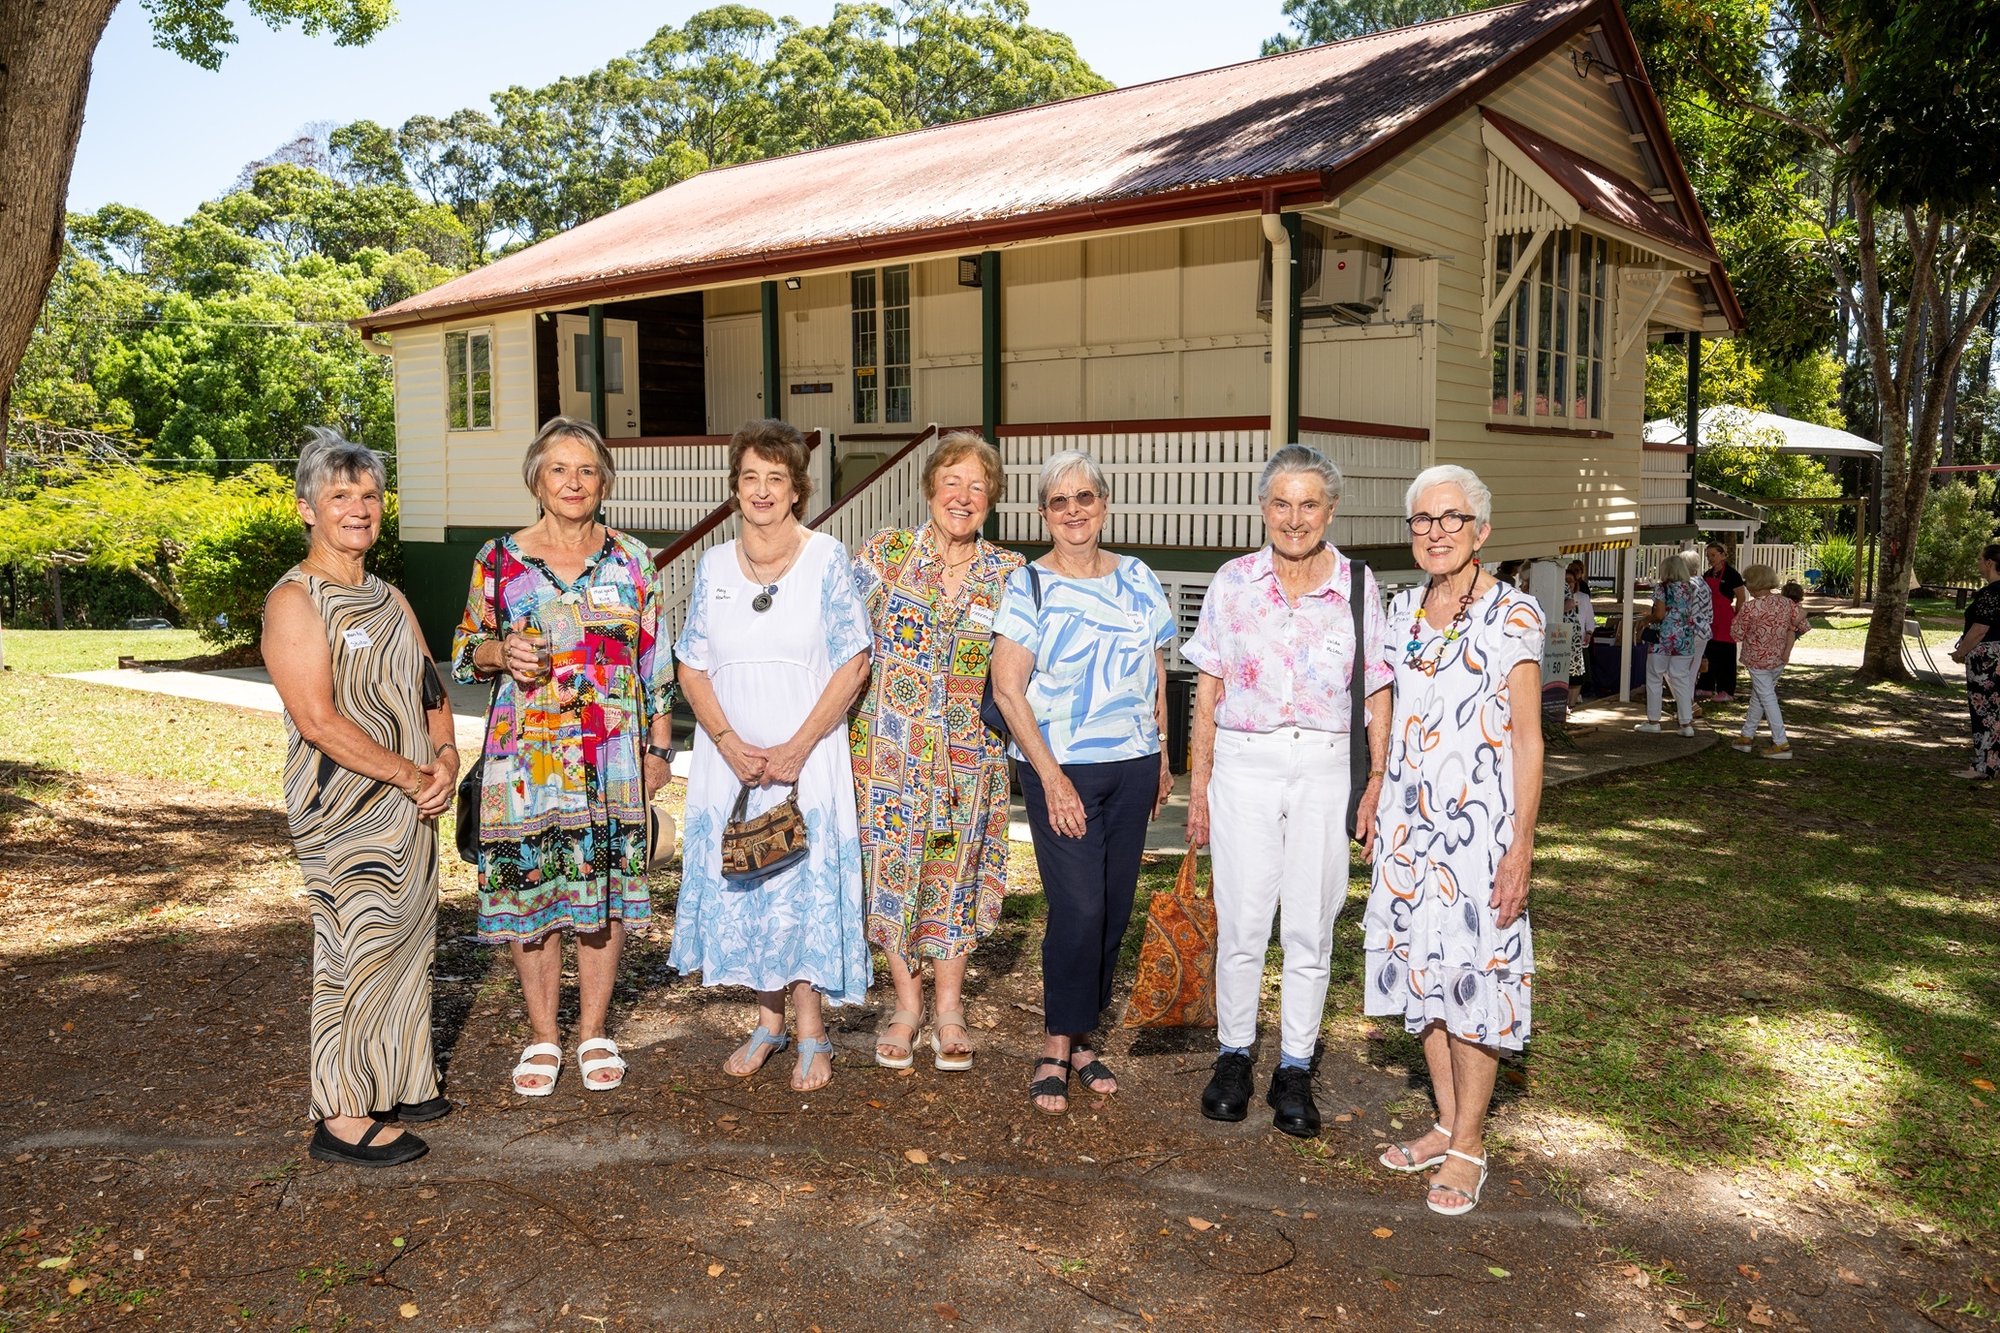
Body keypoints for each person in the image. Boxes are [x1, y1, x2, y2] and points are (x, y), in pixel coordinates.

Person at [452, 417, 675, 1097]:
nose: (573, 483)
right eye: (559, 469)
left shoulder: (636, 558)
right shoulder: (498, 560)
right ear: (535, 479)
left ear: (604, 480)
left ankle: (595, 1030)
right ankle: (545, 1034)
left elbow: (656, 661)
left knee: (602, 890)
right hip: (526, 758)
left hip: (611, 758)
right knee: (535, 891)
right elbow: (465, 651)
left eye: (586, 470)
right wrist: (499, 652)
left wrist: (660, 747)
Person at [1183, 445, 1392, 1138]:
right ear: (1264, 509)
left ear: (1330, 510)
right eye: (1281, 502)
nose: (1294, 517)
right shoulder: (1233, 581)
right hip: (1245, 761)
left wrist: (1375, 782)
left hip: (1328, 763)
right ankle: (1234, 1055)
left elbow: (1378, 692)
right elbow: (1207, 690)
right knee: (1243, 920)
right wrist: (1202, 788)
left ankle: (1296, 1065)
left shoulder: (1360, 586)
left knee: (1310, 923)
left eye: (1308, 503)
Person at [264, 429, 458, 1167]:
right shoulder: (295, 599)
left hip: (411, 799)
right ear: (307, 509)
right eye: (340, 495)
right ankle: (340, 1114)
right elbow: (317, 719)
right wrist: (411, 775)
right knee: (351, 948)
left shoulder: (387, 595)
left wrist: (444, 753)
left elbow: (429, 682)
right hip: (342, 806)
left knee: (407, 937)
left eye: (369, 495)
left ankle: (399, 1076)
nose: (358, 508)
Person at [673, 419, 872, 1092]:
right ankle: (767, 1023)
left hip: (805, 759)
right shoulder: (714, 566)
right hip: (733, 763)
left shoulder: (827, 558)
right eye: (750, 477)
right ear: (736, 488)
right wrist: (728, 743)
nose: (762, 491)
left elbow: (854, 662)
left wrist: (797, 745)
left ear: (797, 490)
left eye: (776, 479)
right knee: (753, 878)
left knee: (799, 887)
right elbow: (691, 667)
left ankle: (814, 1031)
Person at [1367, 464, 1544, 1217]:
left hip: (1481, 833)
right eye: (1423, 520)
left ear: (1481, 530)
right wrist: (1376, 786)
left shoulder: (1514, 613)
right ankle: (1445, 1121)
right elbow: (1382, 709)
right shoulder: (1400, 611)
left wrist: (1522, 844)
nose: (1435, 532)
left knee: (1477, 978)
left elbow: (1531, 740)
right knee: (1424, 973)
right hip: (1409, 828)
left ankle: (1470, 1144)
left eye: (1451, 518)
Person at [990, 451, 1176, 1115]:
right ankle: (1055, 1040)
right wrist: (1050, 776)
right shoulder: (1029, 585)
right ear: (1045, 513)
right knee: (1079, 908)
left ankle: (1085, 1033)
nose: (1074, 510)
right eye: (1060, 501)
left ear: (1104, 504)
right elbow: (1009, 689)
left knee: (1115, 907)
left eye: (1085, 497)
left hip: (1131, 766)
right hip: (1060, 767)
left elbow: (1154, 672)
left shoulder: (1137, 578)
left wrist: (1160, 755)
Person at [849, 432, 1025, 1071]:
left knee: (953, 878)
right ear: (929, 489)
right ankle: (906, 1007)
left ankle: (949, 1008)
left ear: (992, 501)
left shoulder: (1008, 574)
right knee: (892, 873)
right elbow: (832, 635)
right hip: (887, 755)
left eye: (978, 487)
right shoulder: (885, 555)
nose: (964, 496)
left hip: (968, 759)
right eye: (952, 481)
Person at [1730, 563, 1811, 760]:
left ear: (1754, 584)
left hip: (1757, 660)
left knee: (1767, 698)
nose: (1746, 585)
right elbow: (1804, 625)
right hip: (1779, 659)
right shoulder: (1786, 603)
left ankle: (1781, 743)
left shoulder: (1750, 607)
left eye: (1747, 581)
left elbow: (1736, 634)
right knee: (1760, 696)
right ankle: (1747, 736)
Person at [1636, 554, 1711, 737]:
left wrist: (1647, 619)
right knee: (1682, 679)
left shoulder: (1662, 588)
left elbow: (1659, 614)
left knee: (1654, 677)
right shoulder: (1692, 588)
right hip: (1685, 637)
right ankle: (1686, 724)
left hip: (1663, 638)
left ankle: (1653, 721)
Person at [1948, 543, 2000, 780]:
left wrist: (1961, 652)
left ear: (1990, 563)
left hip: (1987, 660)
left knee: (1984, 712)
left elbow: (1980, 628)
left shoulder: (1991, 594)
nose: (1978, 564)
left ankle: (1983, 766)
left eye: (1981, 560)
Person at [1697, 542, 1748, 701]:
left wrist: (1738, 616)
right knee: (1708, 651)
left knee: (1725, 654)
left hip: (1726, 619)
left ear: (1723, 555)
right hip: (1709, 618)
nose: (1710, 558)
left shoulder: (1732, 574)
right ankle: (1706, 687)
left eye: (1713, 555)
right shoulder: (1707, 574)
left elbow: (1741, 597)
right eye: (1708, 555)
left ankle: (1726, 690)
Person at [1564, 560, 1596, 706]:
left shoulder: (1583, 597)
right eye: (1565, 581)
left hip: (1578, 641)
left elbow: (1589, 618)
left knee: (1578, 675)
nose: (1568, 584)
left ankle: (1574, 699)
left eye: (1571, 581)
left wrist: (1588, 633)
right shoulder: (1559, 598)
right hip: (1562, 640)